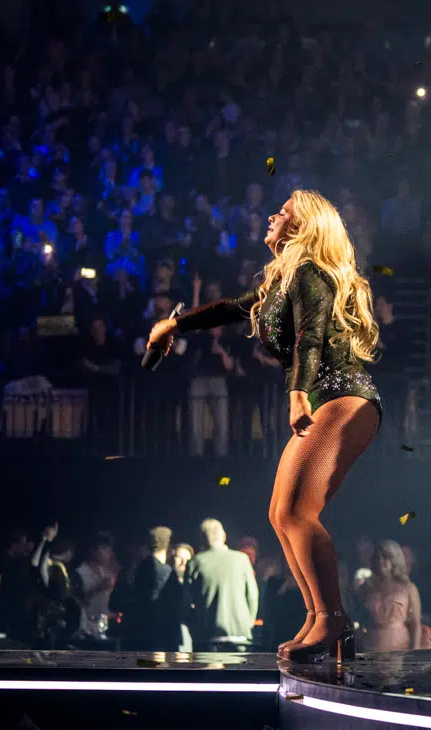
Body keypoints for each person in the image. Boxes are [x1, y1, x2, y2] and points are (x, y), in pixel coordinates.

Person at [147, 188, 382, 662]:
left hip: (342, 397)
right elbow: (232, 307)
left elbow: (310, 337)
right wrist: (175, 326)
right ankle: (320, 618)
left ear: (303, 227)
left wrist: (297, 393)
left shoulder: (311, 273)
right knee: (281, 515)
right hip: (327, 396)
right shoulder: (283, 280)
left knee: (298, 511)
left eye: (285, 212)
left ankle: (333, 621)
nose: (273, 215)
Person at [184, 519, 259, 652]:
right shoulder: (241, 559)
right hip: (240, 635)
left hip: (208, 636)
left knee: (210, 672)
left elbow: (186, 601)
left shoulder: (195, 562)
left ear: (202, 539)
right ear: (223, 536)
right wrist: (248, 622)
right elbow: (253, 595)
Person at [357, 540, 422, 653]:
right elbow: (360, 619)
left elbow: (415, 624)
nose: (380, 561)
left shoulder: (408, 588)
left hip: (399, 646)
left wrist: (415, 652)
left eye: (385, 557)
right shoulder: (367, 587)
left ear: (394, 559)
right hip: (370, 646)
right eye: (377, 557)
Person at [124, 526, 181, 651]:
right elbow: (175, 603)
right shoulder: (165, 572)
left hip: (140, 636)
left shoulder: (138, 568)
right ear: (168, 546)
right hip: (162, 638)